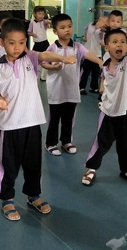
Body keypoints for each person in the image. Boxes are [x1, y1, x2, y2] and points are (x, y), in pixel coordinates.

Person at [0, 18, 76, 221]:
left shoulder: (30, 58)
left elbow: (44, 54)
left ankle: (33, 195)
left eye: (21, 42)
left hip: (32, 123)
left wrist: (63, 59)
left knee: (33, 164)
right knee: (8, 165)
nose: (17, 47)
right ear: (1, 43)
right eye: (12, 43)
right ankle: (7, 199)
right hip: (10, 125)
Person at [81, 29, 127, 187]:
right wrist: (102, 86)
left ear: (126, 47)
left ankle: (126, 169)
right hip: (108, 112)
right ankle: (91, 168)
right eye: (115, 42)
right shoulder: (105, 64)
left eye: (123, 42)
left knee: (125, 144)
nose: (119, 45)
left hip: (126, 112)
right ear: (107, 47)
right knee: (101, 142)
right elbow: (105, 77)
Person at [41, 13, 103, 155]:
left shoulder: (77, 47)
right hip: (56, 90)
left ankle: (66, 141)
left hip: (71, 89)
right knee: (54, 118)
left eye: (69, 26)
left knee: (68, 118)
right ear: (55, 31)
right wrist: (53, 67)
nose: (67, 29)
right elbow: (44, 63)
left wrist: (100, 62)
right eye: (62, 27)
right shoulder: (52, 48)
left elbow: (88, 54)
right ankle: (50, 143)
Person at [27, 6, 51, 81]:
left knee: (47, 59)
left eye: (43, 14)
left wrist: (49, 22)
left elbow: (48, 23)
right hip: (37, 44)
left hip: (45, 42)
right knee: (36, 59)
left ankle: (43, 76)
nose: (41, 16)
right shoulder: (32, 23)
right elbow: (28, 32)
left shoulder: (44, 22)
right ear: (35, 14)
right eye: (39, 14)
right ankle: (36, 74)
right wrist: (32, 34)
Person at [79, 19, 102, 95]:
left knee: (96, 72)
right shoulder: (90, 25)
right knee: (85, 72)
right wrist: (84, 37)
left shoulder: (102, 30)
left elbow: (102, 40)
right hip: (87, 53)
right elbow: (85, 36)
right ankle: (81, 87)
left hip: (97, 54)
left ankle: (94, 87)